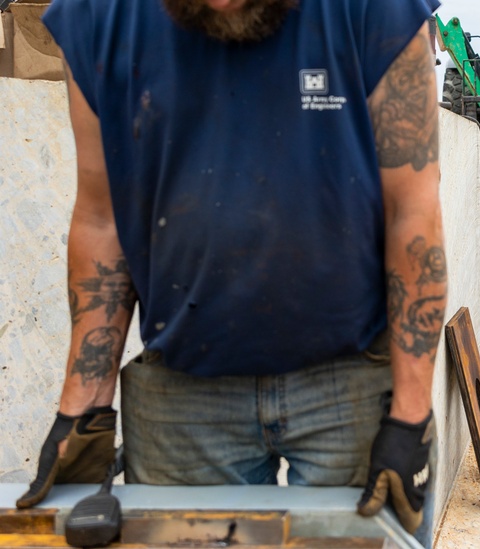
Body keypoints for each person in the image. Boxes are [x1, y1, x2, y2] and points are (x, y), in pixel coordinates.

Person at [18, 0, 445, 543]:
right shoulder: (98, 16)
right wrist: (82, 407)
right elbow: (102, 219)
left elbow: (413, 211)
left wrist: (410, 415)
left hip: (352, 383)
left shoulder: (376, 8)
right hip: (183, 395)